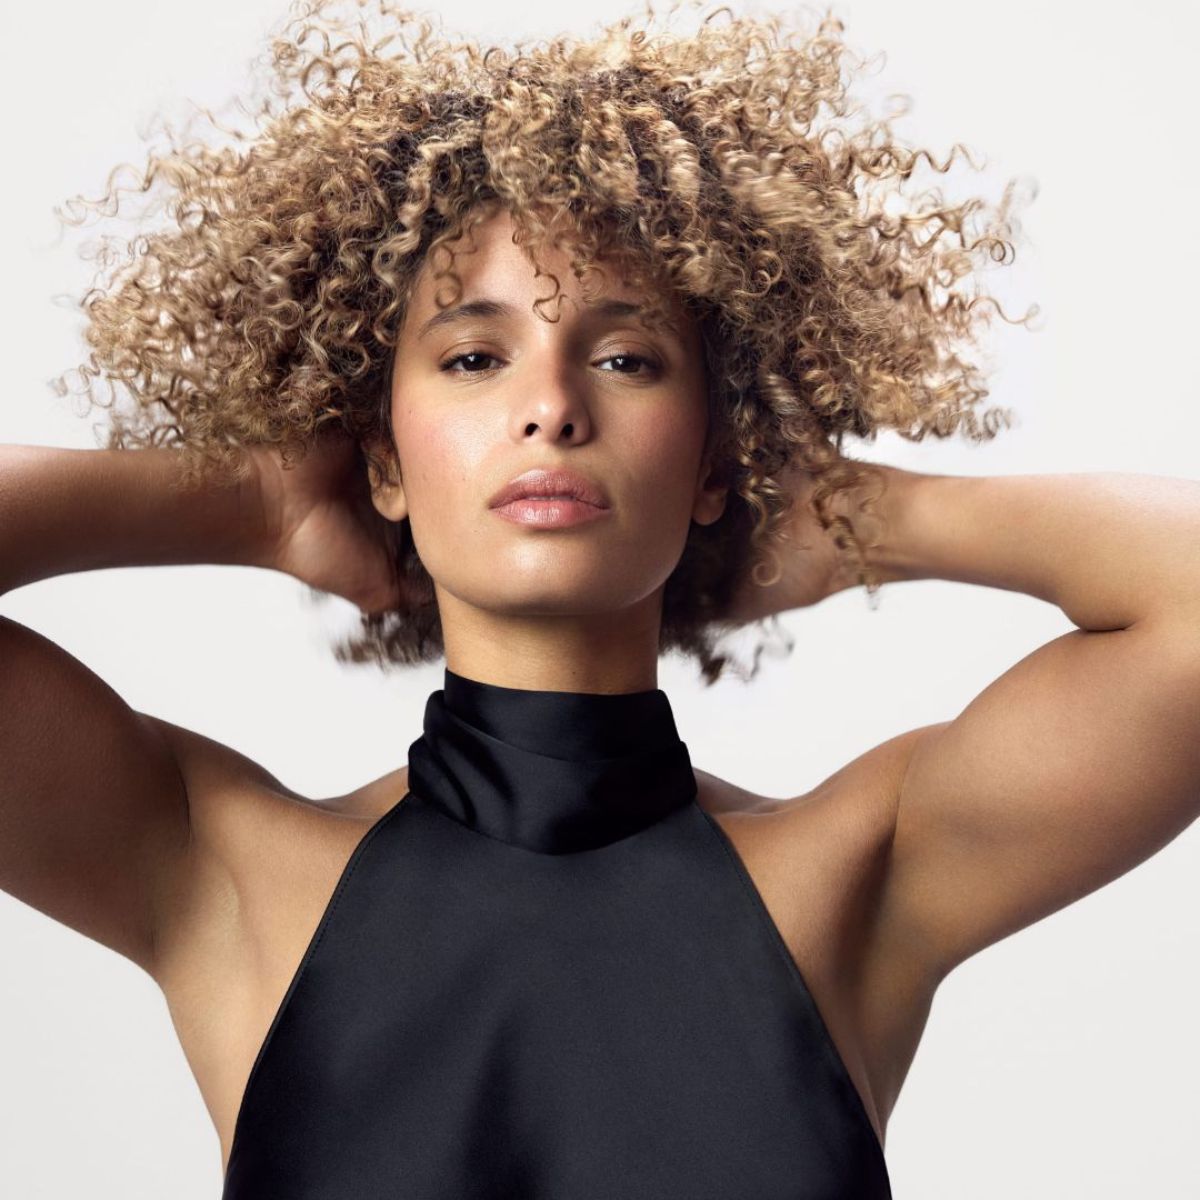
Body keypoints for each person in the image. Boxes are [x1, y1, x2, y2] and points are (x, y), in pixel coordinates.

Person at [3, 0, 1199, 1194]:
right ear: (382, 457)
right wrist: (255, 506)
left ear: (716, 461)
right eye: (476, 357)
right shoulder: (225, 873)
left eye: (627, 357)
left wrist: (852, 513)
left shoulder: (858, 869)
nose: (552, 407)